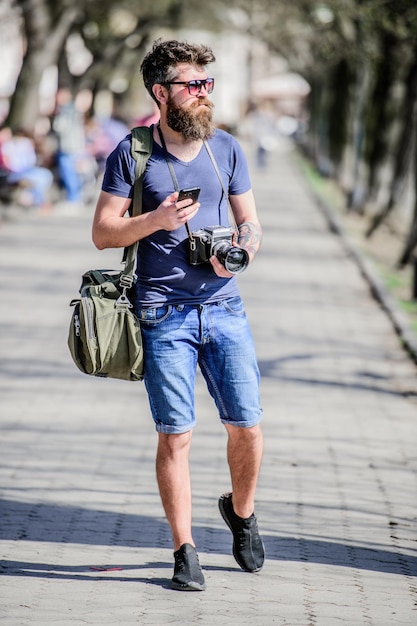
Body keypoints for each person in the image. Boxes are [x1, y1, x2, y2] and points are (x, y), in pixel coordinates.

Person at [92, 39, 264, 591]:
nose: (203, 94)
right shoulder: (133, 152)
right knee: (176, 435)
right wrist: (157, 219)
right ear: (160, 93)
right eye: (193, 85)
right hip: (162, 312)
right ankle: (184, 549)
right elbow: (102, 232)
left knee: (248, 427)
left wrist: (241, 249)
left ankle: (240, 512)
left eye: (207, 84)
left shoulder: (227, 149)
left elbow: (251, 222)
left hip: (224, 307)